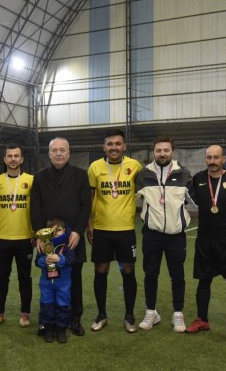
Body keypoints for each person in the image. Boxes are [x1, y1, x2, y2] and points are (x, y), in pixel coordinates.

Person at [30, 137, 92, 337]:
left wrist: (78, 231)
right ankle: (48, 320)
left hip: (72, 238)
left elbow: (86, 206)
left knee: (74, 279)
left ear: (69, 152)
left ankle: (74, 319)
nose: (58, 153)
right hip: (47, 240)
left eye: (62, 150)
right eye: (54, 150)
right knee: (49, 279)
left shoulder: (81, 175)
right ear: (49, 153)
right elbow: (35, 208)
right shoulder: (39, 177)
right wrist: (39, 235)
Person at [186, 145, 226, 340]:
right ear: (206, 159)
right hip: (205, 239)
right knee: (204, 280)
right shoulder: (198, 179)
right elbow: (185, 198)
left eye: (216, 157)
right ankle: (202, 320)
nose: (212, 161)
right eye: (209, 157)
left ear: (223, 159)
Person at [135, 135, 193, 333]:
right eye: (158, 150)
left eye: (166, 150)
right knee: (151, 274)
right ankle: (151, 312)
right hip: (152, 234)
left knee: (177, 275)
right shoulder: (143, 174)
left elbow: (191, 199)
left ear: (172, 152)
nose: (162, 153)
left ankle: (178, 313)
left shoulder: (183, 173)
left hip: (176, 235)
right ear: (154, 152)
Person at [86, 129, 143, 333]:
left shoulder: (134, 166)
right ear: (104, 147)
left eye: (118, 144)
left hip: (126, 229)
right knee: (100, 270)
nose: (114, 147)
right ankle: (101, 315)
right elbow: (90, 198)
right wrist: (89, 224)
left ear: (124, 146)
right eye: (110, 144)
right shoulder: (95, 167)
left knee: (128, 270)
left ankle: (129, 316)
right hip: (101, 229)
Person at [0, 143, 34, 328]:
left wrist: (34, 231)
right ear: (4, 159)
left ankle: (25, 314)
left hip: (25, 237)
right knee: (2, 276)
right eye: (10, 156)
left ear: (22, 159)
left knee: (25, 277)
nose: (13, 159)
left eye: (16, 156)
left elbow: (36, 208)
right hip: (3, 237)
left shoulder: (31, 180)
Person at [35, 219, 76, 343]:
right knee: (46, 304)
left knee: (63, 305)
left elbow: (71, 260)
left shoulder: (67, 245)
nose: (56, 232)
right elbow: (37, 261)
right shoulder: (44, 244)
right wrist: (44, 261)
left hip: (63, 284)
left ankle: (61, 330)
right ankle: (49, 329)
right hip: (46, 284)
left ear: (64, 230)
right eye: (53, 231)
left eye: (59, 230)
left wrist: (59, 259)